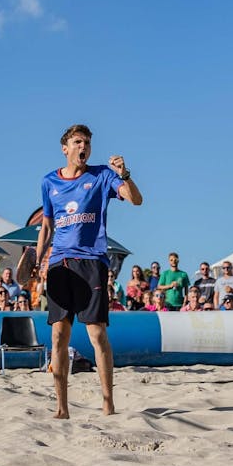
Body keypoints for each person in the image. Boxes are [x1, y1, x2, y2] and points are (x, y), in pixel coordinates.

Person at [35, 124, 142, 418]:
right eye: (78, 142)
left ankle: (108, 402)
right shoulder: (49, 182)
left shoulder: (102, 176)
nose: (84, 147)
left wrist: (125, 175)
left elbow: (135, 200)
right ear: (65, 148)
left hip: (92, 261)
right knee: (58, 336)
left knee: (97, 335)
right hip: (59, 263)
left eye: (87, 143)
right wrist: (36, 259)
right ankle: (62, 407)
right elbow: (47, 226)